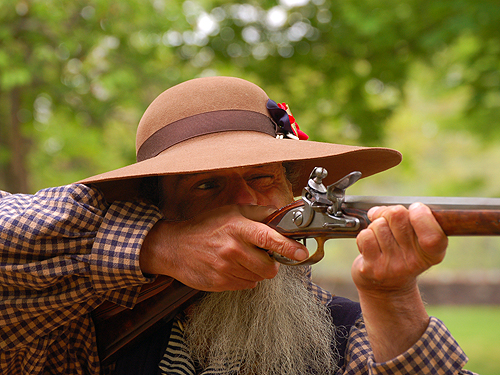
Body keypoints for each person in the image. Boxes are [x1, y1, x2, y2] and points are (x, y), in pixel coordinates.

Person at [0, 76, 474, 375]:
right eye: (207, 186)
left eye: (263, 178)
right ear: (159, 209)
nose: (246, 202)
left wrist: (391, 299)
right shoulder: (75, 324)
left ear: (294, 192)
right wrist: (157, 248)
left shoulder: (344, 334)